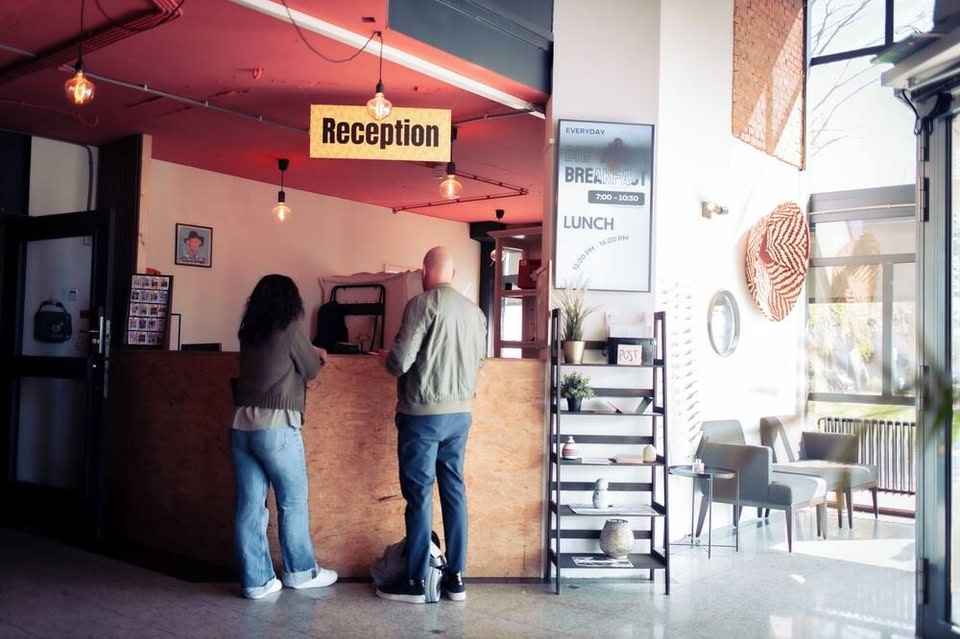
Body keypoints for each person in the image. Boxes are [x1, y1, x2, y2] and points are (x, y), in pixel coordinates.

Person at [376, 246, 487, 604]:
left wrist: (386, 359)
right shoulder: (475, 313)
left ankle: (416, 581)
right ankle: (456, 578)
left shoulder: (421, 305)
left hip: (422, 415)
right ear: (452, 274)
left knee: (419, 495)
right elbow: (480, 362)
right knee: (454, 491)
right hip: (460, 415)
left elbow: (400, 362)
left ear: (424, 272)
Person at [230, 274, 338, 599]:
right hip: (276, 427)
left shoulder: (248, 331)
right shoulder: (290, 329)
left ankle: (256, 581)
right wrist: (317, 353)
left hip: (240, 426)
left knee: (249, 507)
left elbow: (273, 358)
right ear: (290, 301)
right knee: (291, 502)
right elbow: (311, 368)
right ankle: (301, 573)